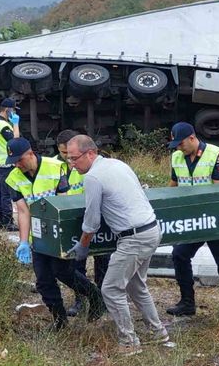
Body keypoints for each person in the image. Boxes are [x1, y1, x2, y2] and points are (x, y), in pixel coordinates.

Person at [67, 135, 167, 355]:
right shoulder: (118, 163)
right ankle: (158, 332)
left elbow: (91, 221)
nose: (72, 165)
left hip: (134, 238)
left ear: (90, 153)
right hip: (151, 229)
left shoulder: (93, 177)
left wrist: (83, 246)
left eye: (75, 159)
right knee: (136, 286)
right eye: (69, 159)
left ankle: (129, 342)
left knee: (111, 289)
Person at [5, 137, 105, 330]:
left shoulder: (55, 167)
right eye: (13, 162)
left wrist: (62, 237)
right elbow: (23, 211)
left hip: (56, 232)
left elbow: (63, 203)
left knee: (63, 272)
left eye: (19, 160)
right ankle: (60, 321)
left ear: (30, 154)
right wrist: (23, 241)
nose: (17, 165)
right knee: (43, 280)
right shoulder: (13, 178)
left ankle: (94, 295)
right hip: (37, 235)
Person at [165, 122, 219, 316]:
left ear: (192, 138)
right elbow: (173, 183)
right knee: (179, 255)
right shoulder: (176, 157)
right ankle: (187, 302)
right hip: (191, 220)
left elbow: (218, 188)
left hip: (217, 218)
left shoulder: (216, 154)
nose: (179, 149)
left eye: (181, 144)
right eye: (176, 146)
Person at [53, 129, 110, 317]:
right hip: (74, 220)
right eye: (62, 153)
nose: (66, 158)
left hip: (94, 217)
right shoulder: (56, 166)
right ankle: (81, 299)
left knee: (102, 260)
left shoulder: (89, 166)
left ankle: (103, 298)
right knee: (76, 264)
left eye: (69, 154)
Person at [0, 98, 20, 231]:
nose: (13, 113)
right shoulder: (4, 126)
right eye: (13, 110)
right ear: (7, 110)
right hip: (5, 164)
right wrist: (16, 124)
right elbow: (16, 141)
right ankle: (8, 222)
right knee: (6, 194)